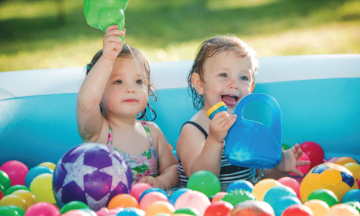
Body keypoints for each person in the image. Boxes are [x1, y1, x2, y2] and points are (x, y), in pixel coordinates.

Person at [176, 35, 309, 189]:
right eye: (223, 75)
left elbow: (260, 176)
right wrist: (214, 139)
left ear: (251, 89)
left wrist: (279, 168)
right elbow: (200, 179)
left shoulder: (249, 130)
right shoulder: (193, 130)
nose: (234, 84)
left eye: (243, 78)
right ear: (199, 84)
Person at [76, 25, 179, 189]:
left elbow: (173, 169)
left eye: (139, 82)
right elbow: (86, 103)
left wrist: (161, 181)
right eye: (118, 81)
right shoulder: (99, 133)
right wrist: (107, 58)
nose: (131, 89)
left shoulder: (152, 133)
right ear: (99, 93)